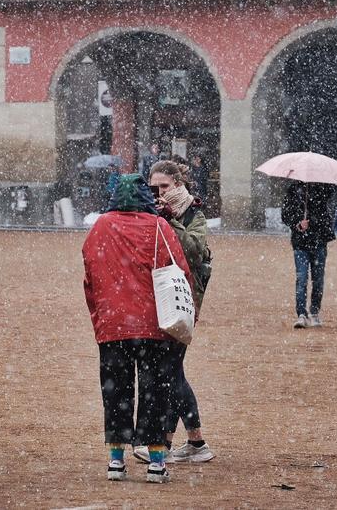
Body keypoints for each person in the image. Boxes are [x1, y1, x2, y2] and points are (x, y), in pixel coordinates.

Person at [82, 173, 192, 484]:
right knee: (154, 391)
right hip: (153, 325)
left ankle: (116, 460)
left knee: (116, 391)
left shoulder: (101, 226)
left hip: (113, 324)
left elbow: (90, 275)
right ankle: (156, 462)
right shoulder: (159, 227)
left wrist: (100, 315)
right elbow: (180, 271)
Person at [131, 160, 215, 465]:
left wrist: (169, 220)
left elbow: (193, 250)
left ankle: (185, 443)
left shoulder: (194, 214)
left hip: (183, 300)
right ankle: (185, 442)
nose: (159, 193)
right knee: (169, 370)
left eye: (164, 186)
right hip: (156, 298)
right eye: (154, 188)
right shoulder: (150, 213)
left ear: (179, 184)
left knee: (170, 370)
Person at [281, 181, 335, 328]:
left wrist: (314, 221)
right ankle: (301, 314)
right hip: (301, 243)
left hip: (319, 241)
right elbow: (285, 214)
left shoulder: (324, 187)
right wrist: (298, 223)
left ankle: (314, 312)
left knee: (318, 280)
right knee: (302, 279)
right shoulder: (293, 189)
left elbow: (326, 213)